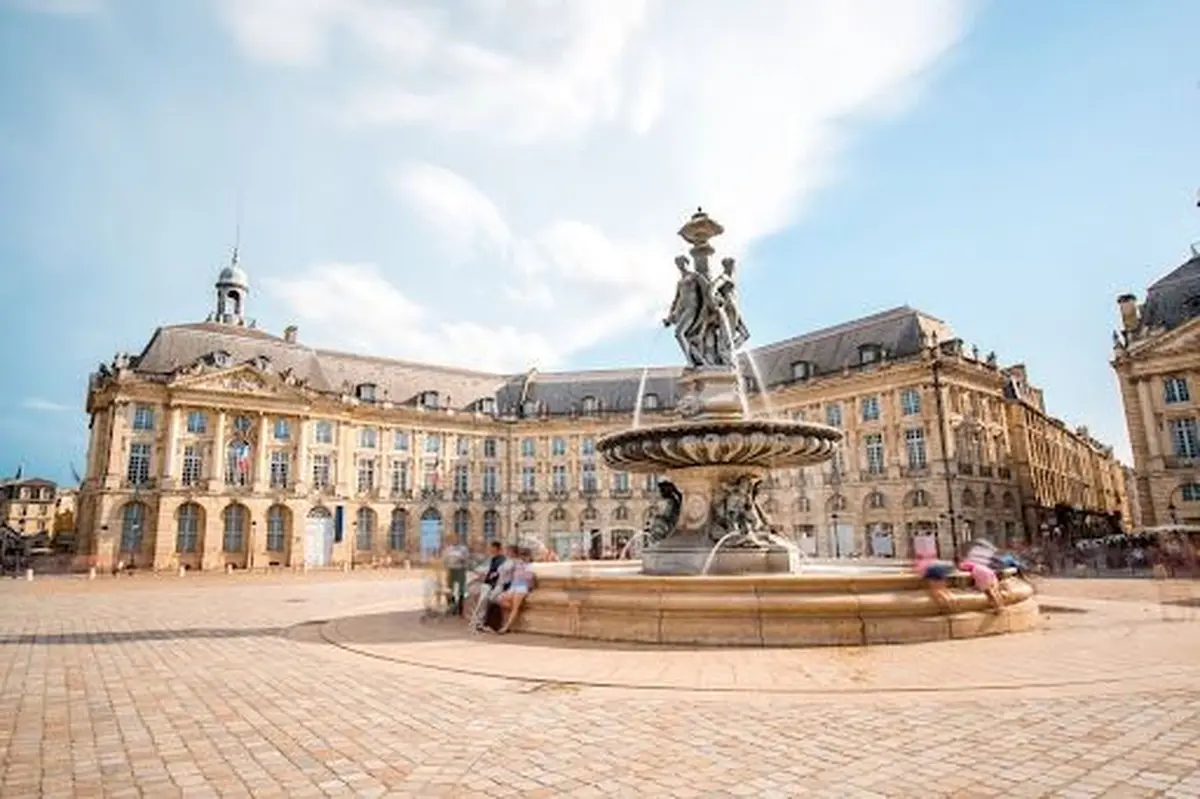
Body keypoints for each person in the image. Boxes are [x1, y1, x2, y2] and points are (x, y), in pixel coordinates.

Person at [497, 547, 536, 634]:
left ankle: (506, 627)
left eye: (525, 555)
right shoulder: (518, 565)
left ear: (529, 556)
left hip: (522, 588)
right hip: (513, 587)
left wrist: (529, 587)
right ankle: (511, 620)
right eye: (522, 555)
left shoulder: (530, 566)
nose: (523, 557)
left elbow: (530, 579)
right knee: (501, 599)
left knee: (515, 607)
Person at [441, 534, 470, 616]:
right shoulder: (448, 549)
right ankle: (452, 607)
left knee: (461, 589)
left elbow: (467, 559)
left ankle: (461, 609)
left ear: (459, 540)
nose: (454, 540)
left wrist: (461, 559)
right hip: (450, 570)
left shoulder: (463, 549)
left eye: (456, 539)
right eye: (453, 539)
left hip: (460, 569)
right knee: (450, 589)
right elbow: (444, 559)